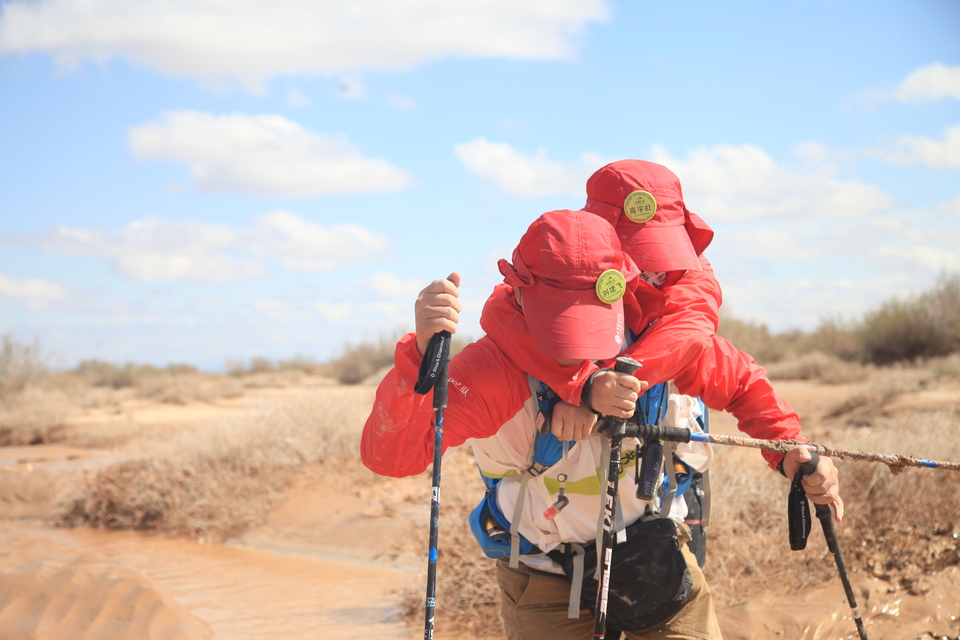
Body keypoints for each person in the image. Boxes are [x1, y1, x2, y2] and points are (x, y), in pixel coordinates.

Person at [361, 209, 839, 640]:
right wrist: (418, 362)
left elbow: (742, 384)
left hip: (657, 555)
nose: (575, 345)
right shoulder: (492, 371)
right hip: (544, 577)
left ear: (625, 289)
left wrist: (792, 450)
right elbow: (392, 456)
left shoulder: (657, 340)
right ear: (520, 297)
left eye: (589, 324)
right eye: (558, 327)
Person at [479, 160, 845, 510]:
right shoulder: (534, 303)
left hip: (654, 527)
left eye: (660, 252)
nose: (654, 269)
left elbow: (736, 377)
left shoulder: (677, 305)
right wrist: (583, 384)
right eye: (636, 252)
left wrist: (790, 447)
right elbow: (501, 313)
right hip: (536, 540)